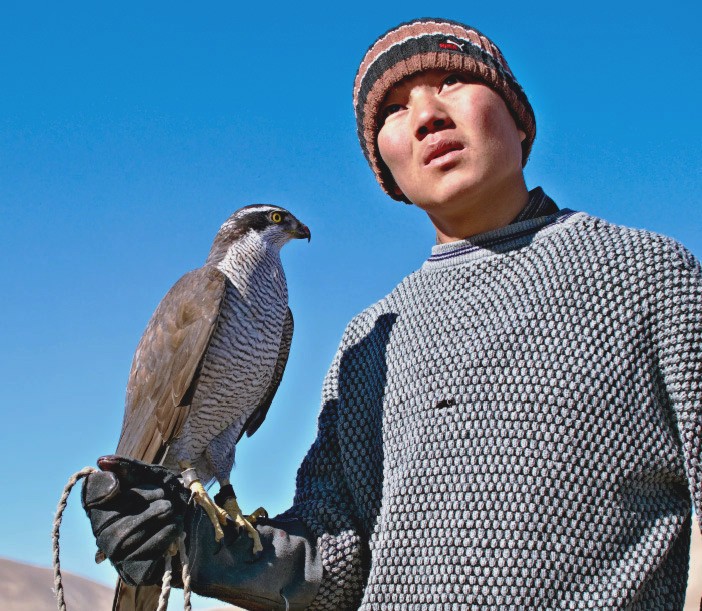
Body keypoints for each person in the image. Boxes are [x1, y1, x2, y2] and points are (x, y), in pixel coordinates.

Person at [82, 17, 702, 609]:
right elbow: (337, 564)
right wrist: (207, 549)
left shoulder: (650, 275)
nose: (428, 114)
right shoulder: (371, 338)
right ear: (388, 171)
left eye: (452, 82)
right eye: (396, 109)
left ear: (518, 119)